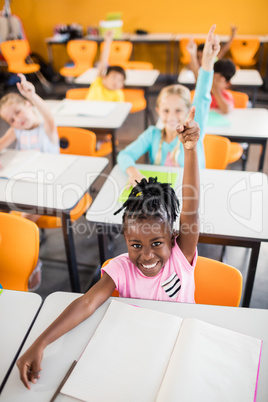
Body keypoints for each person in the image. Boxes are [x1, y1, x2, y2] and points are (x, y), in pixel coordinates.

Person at [16, 104, 200, 390]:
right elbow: (87, 303)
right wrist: (40, 342)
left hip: (182, 349)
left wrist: (190, 151)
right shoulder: (121, 269)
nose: (146, 255)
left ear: (173, 236)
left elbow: (191, 209)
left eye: (157, 243)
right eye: (135, 244)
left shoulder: (181, 255)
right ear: (125, 239)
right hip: (136, 353)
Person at [117, 25, 220, 188]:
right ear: (158, 111)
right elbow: (124, 155)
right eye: (166, 111)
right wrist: (133, 172)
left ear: (188, 111)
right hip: (161, 199)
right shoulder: (152, 135)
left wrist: (207, 61)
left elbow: (202, 96)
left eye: (178, 110)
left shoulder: (193, 135)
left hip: (190, 194)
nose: (171, 116)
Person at [0, 73, 59, 290]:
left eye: (18, 112)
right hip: (26, 187)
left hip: (50, 189)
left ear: (27, 104)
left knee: (23, 221)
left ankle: (31, 263)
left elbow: (49, 115)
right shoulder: (17, 130)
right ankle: (11, 261)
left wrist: (33, 95)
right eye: (11, 120)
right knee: (7, 220)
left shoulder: (47, 128)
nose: (17, 120)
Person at [85, 30, 126, 102]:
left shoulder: (118, 94)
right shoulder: (98, 83)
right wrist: (108, 41)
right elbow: (103, 62)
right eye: (114, 77)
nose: (116, 82)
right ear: (105, 77)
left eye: (120, 80)